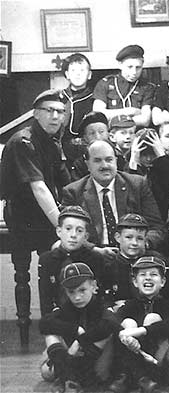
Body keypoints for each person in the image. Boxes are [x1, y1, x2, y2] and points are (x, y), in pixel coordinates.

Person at [0, 89, 71, 347]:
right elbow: (39, 187)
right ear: (35, 114)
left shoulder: (52, 141)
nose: (55, 116)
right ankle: (24, 334)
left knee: (53, 271)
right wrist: (63, 226)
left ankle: (56, 329)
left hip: (45, 217)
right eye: (49, 111)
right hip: (24, 219)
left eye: (60, 111)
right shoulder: (23, 141)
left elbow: (64, 183)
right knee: (23, 275)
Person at [62, 140, 165, 253]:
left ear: (116, 160)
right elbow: (68, 233)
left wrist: (141, 244)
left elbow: (156, 227)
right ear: (87, 164)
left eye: (109, 160)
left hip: (134, 252)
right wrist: (94, 250)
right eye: (97, 161)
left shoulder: (137, 185)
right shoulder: (73, 192)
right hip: (94, 254)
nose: (105, 165)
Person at [39, 262, 120, 393]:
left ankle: (68, 378)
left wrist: (80, 340)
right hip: (72, 359)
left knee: (106, 333)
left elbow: (112, 325)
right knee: (46, 367)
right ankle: (69, 378)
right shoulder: (67, 307)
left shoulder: (100, 305)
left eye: (82, 290)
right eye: (71, 292)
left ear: (94, 286)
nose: (77, 297)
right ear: (65, 292)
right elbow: (44, 323)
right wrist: (75, 329)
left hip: (95, 362)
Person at [110, 256, 169, 393]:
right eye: (143, 275)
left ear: (163, 281)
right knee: (128, 323)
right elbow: (114, 322)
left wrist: (140, 331)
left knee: (152, 318)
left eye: (153, 275)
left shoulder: (167, 305)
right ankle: (138, 378)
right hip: (134, 354)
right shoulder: (130, 305)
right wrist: (129, 338)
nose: (148, 278)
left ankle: (148, 377)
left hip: (157, 358)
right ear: (135, 282)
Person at [38, 206, 107, 316]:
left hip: (89, 316)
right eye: (68, 229)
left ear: (86, 236)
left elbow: (100, 296)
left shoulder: (95, 258)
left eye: (79, 231)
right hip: (60, 316)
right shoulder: (47, 259)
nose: (73, 235)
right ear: (59, 231)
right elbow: (46, 298)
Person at [93, 44, 154, 127]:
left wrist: (114, 118)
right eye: (130, 67)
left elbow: (145, 120)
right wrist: (130, 111)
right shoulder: (105, 83)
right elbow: (98, 115)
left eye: (138, 67)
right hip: (111, 132)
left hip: (136, 134)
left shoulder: (147, 87)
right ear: (120, 65)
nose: (134, 72)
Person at [104, 213, 151, 308]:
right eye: (129, 237)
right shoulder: (108, 266)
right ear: (118, 237)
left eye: (140, 238)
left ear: (145, 240)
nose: (134, 243)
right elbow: (103, 298)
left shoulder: (150, 264)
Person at [59, 53, 94, 169]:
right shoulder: (59, 97)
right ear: (67, 74)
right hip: (62, 149)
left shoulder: (95, 98)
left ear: (89, 75)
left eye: (82, 70)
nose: (78, 74)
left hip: (87, 148)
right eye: (73, 71)